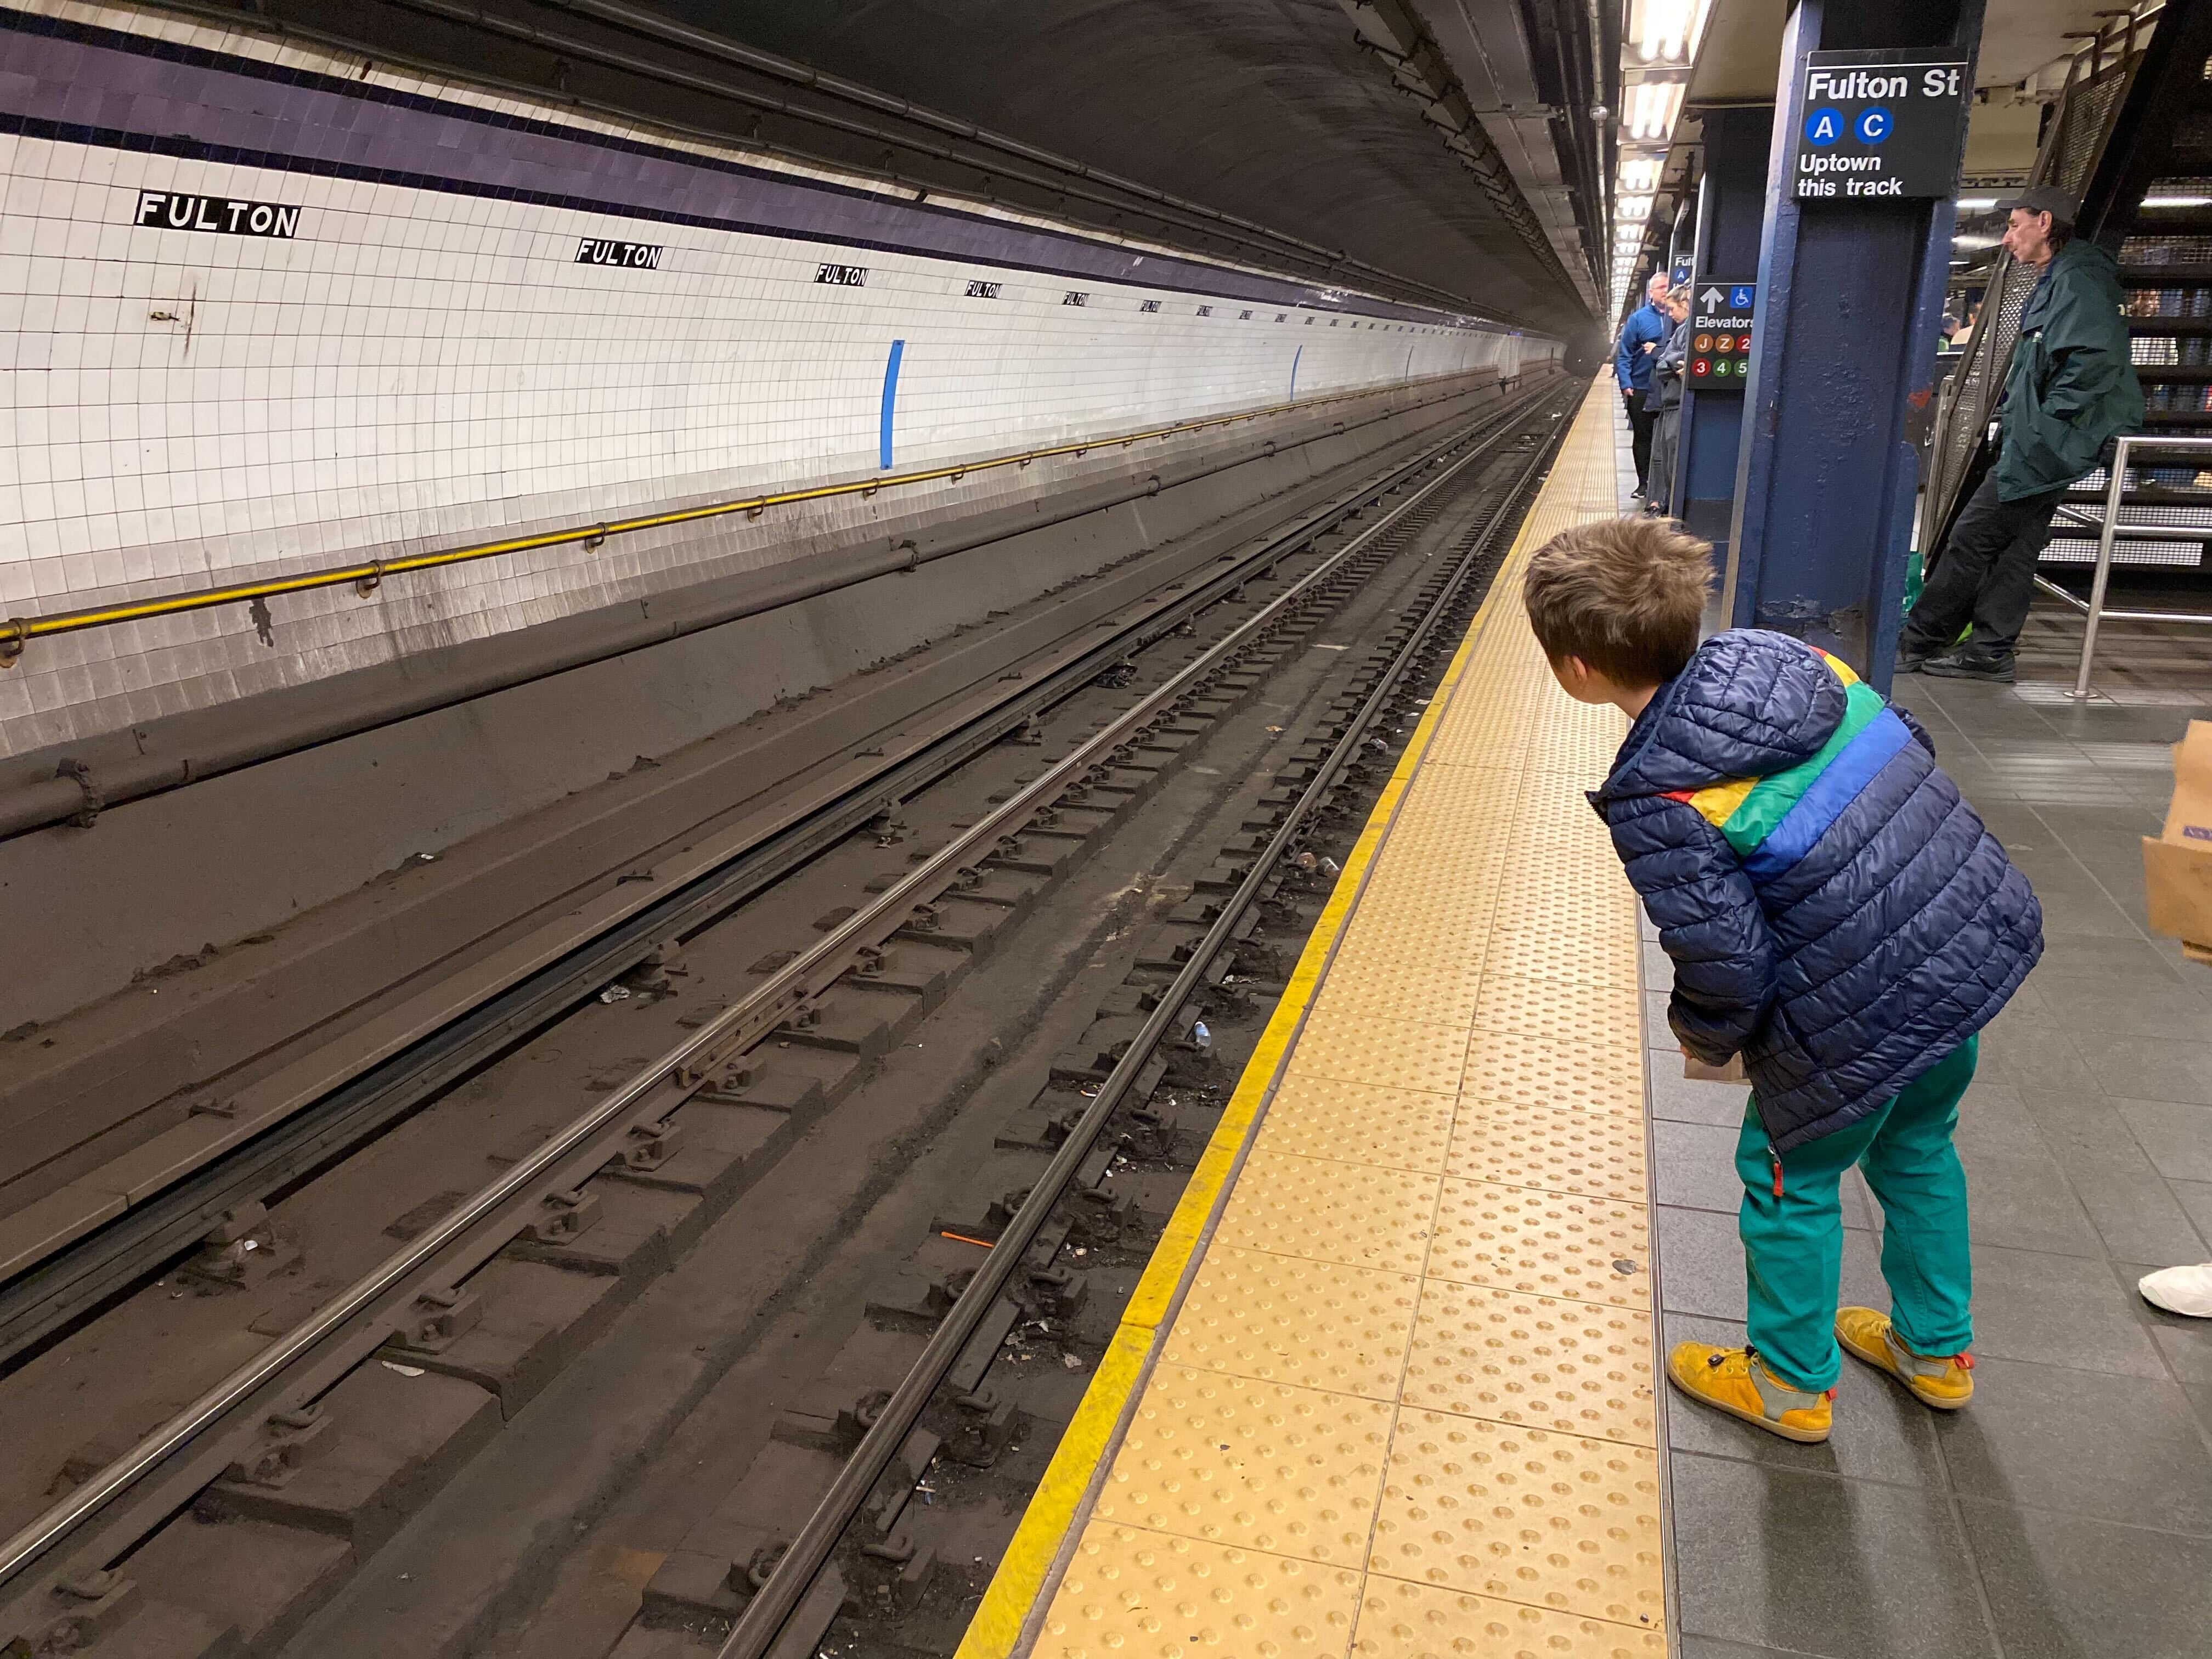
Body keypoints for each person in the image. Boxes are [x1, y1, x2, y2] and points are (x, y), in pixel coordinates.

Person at [1522, 517, 2044, 1443]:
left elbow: (1727, 957)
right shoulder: (1785, 655)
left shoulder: (1655, 792)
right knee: (1919, 1149)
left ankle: (1788, 1382)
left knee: (1786, 1178)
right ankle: (1936, 1351)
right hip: (1960, 950)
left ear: (1574, 670)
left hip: (1852, 1014)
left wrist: (1706, 1035)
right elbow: (1907, 739)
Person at [1900, 185, 2143, 681]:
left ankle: (1917, 640)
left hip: (2048, 445)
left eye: (2015, 226)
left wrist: (2045, 426)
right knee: (2016, 545)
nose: (2008, 239)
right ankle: (1989, 650)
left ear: (2045, 223)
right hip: (2045, 440)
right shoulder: (2065, 277)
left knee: (1971, 537)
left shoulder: (2079, 281)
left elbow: (2093, 364)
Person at [1615, 272, 1672, 498]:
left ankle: (1665, 486)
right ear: (1651, 292)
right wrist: (1626, 382)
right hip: (1641, 387)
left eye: (1667, 287)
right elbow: (1625, 353)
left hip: (1669, 386)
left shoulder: (1679, 316)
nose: (1664, 291)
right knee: (1643, 436)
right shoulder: (1639, 319)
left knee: (1667, 438)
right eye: (1660, 287)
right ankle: (1644, 482)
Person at [1644, 288, 1692, 516]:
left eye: (1672, 309)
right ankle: (1666, 507)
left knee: (1673, 463)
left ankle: (1673, 513)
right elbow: (1664, 365)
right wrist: (1670, 363)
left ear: (1685, 303)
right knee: (1665, 460)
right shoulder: (1681, 331)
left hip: (1677, 403)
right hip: (1669, 403)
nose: (1669, 314)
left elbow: (1666, 361)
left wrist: (1666, 361)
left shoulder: (1691, 330)